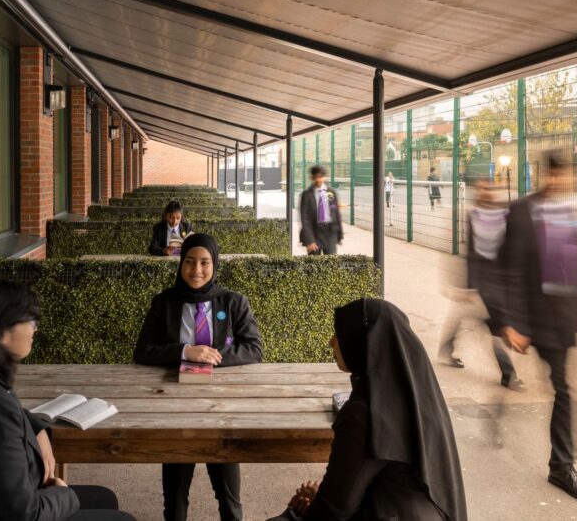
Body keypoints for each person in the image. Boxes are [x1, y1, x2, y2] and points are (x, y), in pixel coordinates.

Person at [0, 279, 136, 521]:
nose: (35, 329)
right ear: (0, 331)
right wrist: (64, 494)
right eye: (31, 321)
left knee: (104, 498)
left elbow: (5, 417)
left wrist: (38, 429)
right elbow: (23, 514)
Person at [269, 299, 467, 521]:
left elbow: (335, 509)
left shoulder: (364, 412)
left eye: (339, 335)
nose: (331, 342)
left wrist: (310, 502)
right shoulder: (419, 399)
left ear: (362, 343)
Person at [134, 234, 263, 521]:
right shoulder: (164, 303)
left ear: (214, 264)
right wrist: (185, 351)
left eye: (205, 262)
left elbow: (254, 349)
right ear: (180, 264)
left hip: (221, 410)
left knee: (230, 501)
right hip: (176, 410)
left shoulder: (234, 302)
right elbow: (142, 351)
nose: (196, 270)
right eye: (190, 262)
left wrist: (211, 356)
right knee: (175, 500)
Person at [500, 152, 577, 504]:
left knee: (566, 391)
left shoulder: (571, 214)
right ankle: (562, 466)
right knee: (565, 391)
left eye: (566, 175)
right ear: (546, 175)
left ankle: (561, 465)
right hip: (533, 318)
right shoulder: (521, 212)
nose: (561, 181)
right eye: (555, 174)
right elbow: (508, 269)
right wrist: (511, 322)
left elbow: (575, 271)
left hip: (562, 321)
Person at [438, 181, 524, 390]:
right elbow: (467, 252)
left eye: (490, 189)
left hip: (496, 283)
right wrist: (462, 285)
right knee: (492, 325)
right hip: (479, 283)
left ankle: (447, 347)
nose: (486, 193)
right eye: (482, 189)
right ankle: (508, 374)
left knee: (484, 322)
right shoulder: (472, 215)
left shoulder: (504, 215)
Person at [299, 166, 344, 255]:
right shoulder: (306, 194)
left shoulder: (332, 192)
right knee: (314, 262)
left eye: (321, 177)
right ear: (312, 178)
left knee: (331, 261)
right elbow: (305, 219)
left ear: (325, 177)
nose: (319, 179)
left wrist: (340, 234)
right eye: (316, 177)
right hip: (314, 233)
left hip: (330, 232)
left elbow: (336, 213)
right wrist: (309, 240)